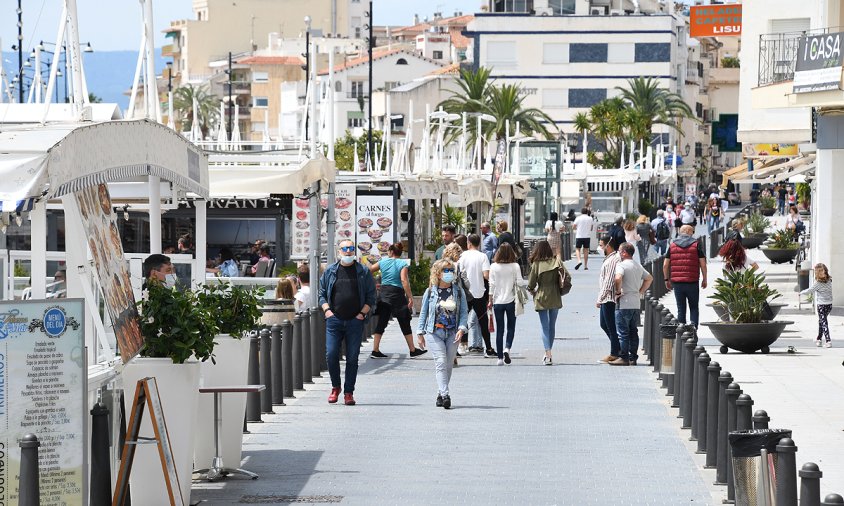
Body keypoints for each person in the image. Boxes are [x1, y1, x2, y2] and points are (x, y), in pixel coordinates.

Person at [319, 240, 377, 406]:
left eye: (351, 248)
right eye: (345, 249)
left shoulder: (363, 271)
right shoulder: (330, 271)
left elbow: (371, 296)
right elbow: (321, 294)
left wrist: (361, 314)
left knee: (352, 357)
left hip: (354, 321)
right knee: (331, 355)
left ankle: (349, 392)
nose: (349, 251)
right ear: (339, 251)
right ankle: (335, 387)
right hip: (334, 320)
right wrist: (327, 311)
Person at [416, 258, 469, 409]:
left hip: (453, 332)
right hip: (435, 332)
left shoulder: (458, 291)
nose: (450, 273)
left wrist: (462, 328)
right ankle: (446, 395)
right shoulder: (430, 292)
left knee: (448, 364)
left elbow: (464, 312)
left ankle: (440, 392)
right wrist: (420, 333)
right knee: (440, 362)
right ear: (438, 274)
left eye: (451, 270)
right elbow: (424, 313)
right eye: (446, 270)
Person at [369, 243, 427, 359]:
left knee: (382, 321)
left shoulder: (383, 262)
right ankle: (412, 349)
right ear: (400, 253)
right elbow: (404, 280)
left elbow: (368, 271)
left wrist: (373, 284)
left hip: (384, 293)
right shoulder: (402, 263)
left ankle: (375, 350)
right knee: (404, 321)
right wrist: (410, 297)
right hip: (397, 294)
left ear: (390, 252)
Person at [610, 243, 653, 366]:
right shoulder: (637, 265)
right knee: (633, 331)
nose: (618, 253)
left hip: (624, 302)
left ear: (624, 253)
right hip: (635, 302)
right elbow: (649, 278)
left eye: (619, 251)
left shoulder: (621, 265)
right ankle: (633, 357)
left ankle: (623, 357)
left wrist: (618, 291)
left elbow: (618, 278)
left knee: (623, 332)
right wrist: (640, 291)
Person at [527, 240, 566, 365]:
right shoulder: (557, 261)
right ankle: (548, 353)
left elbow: (531, 284)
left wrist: (533, 292)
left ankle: (548, 354)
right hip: (555, 294)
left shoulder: (536, 264)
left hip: (542, 295)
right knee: (552, 326)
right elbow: (567, 276)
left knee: (544, 327)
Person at [457, 234, 496, 357]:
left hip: (464, 293)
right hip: (479, 293)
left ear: (468, 243)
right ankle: (488, 348)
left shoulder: (462, 256)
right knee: (483, 321)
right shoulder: (483, 256)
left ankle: (457, 348)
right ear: (479, 244)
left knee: (461, 320)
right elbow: (486, 275)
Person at [663, 225, 707, 328]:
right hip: (692, 281)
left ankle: (682, 330)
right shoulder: (696, 244)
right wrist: (705, 279)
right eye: (692, 231)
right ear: (687, 231)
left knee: (681, 308)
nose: (693, 233)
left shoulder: (672, 245)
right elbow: (703, 264)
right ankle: (693, 329)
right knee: (694, 307)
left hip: (677, 282)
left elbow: (665, 265)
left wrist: (666, 279)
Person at [488, 243, 524, 366]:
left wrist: (490, 299)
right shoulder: (515, 266)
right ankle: (507, 348)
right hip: (511, 300)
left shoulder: (493, 266)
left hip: (498, 302)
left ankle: (499, 358)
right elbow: (520, 282)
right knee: (511, 327)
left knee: (500, 329)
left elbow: (491, 284)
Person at [596, 236, 621, 363]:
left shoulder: (613, 260)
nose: (600, 248)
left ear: (608, 245)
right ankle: (618, 348)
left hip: (608, 298)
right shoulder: (610, 258)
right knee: (604, 324)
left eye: (601, 245)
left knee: (610, 326)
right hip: (606, 297)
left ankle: (615, 352)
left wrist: (600, 298)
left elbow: (609, 280)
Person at [800, 263, 833, 348]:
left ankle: (828, 341)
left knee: (824, 322)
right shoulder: (829, 280)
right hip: (829, 305)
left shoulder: (818, 283)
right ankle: (819, 339)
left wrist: (801, 292)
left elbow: (810, 290)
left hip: (822, 305)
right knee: (821, 321)